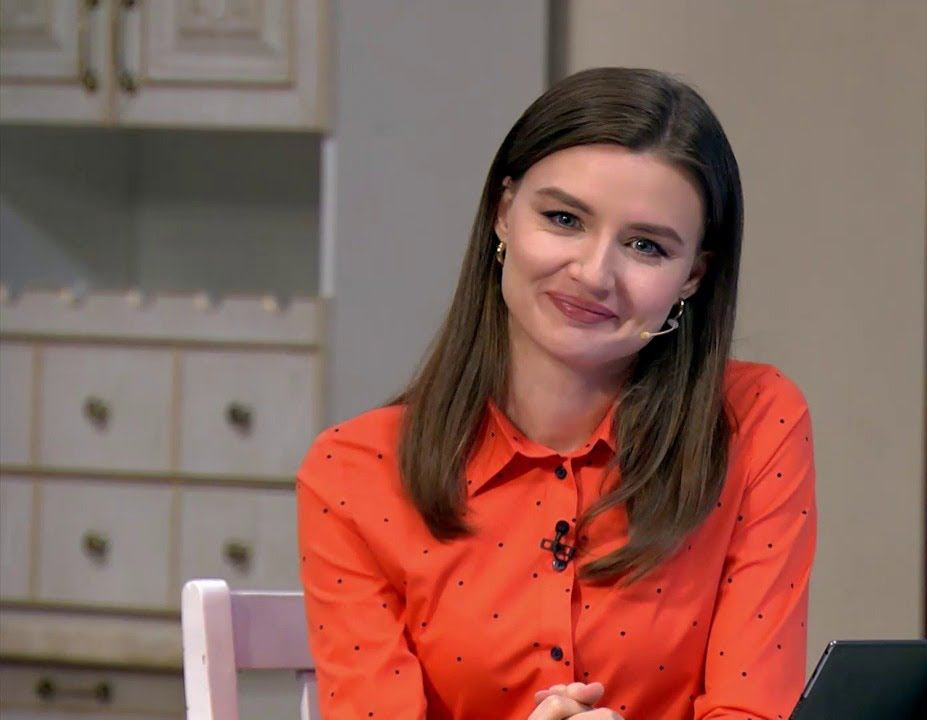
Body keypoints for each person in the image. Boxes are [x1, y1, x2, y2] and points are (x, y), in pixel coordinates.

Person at [296, 66, 817, 720]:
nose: (594, 274)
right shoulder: (353, 473)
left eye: (646, 246)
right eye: (564, 218)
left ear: (692, 277)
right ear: (503, 213)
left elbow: (753, 710)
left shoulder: (754, 422)